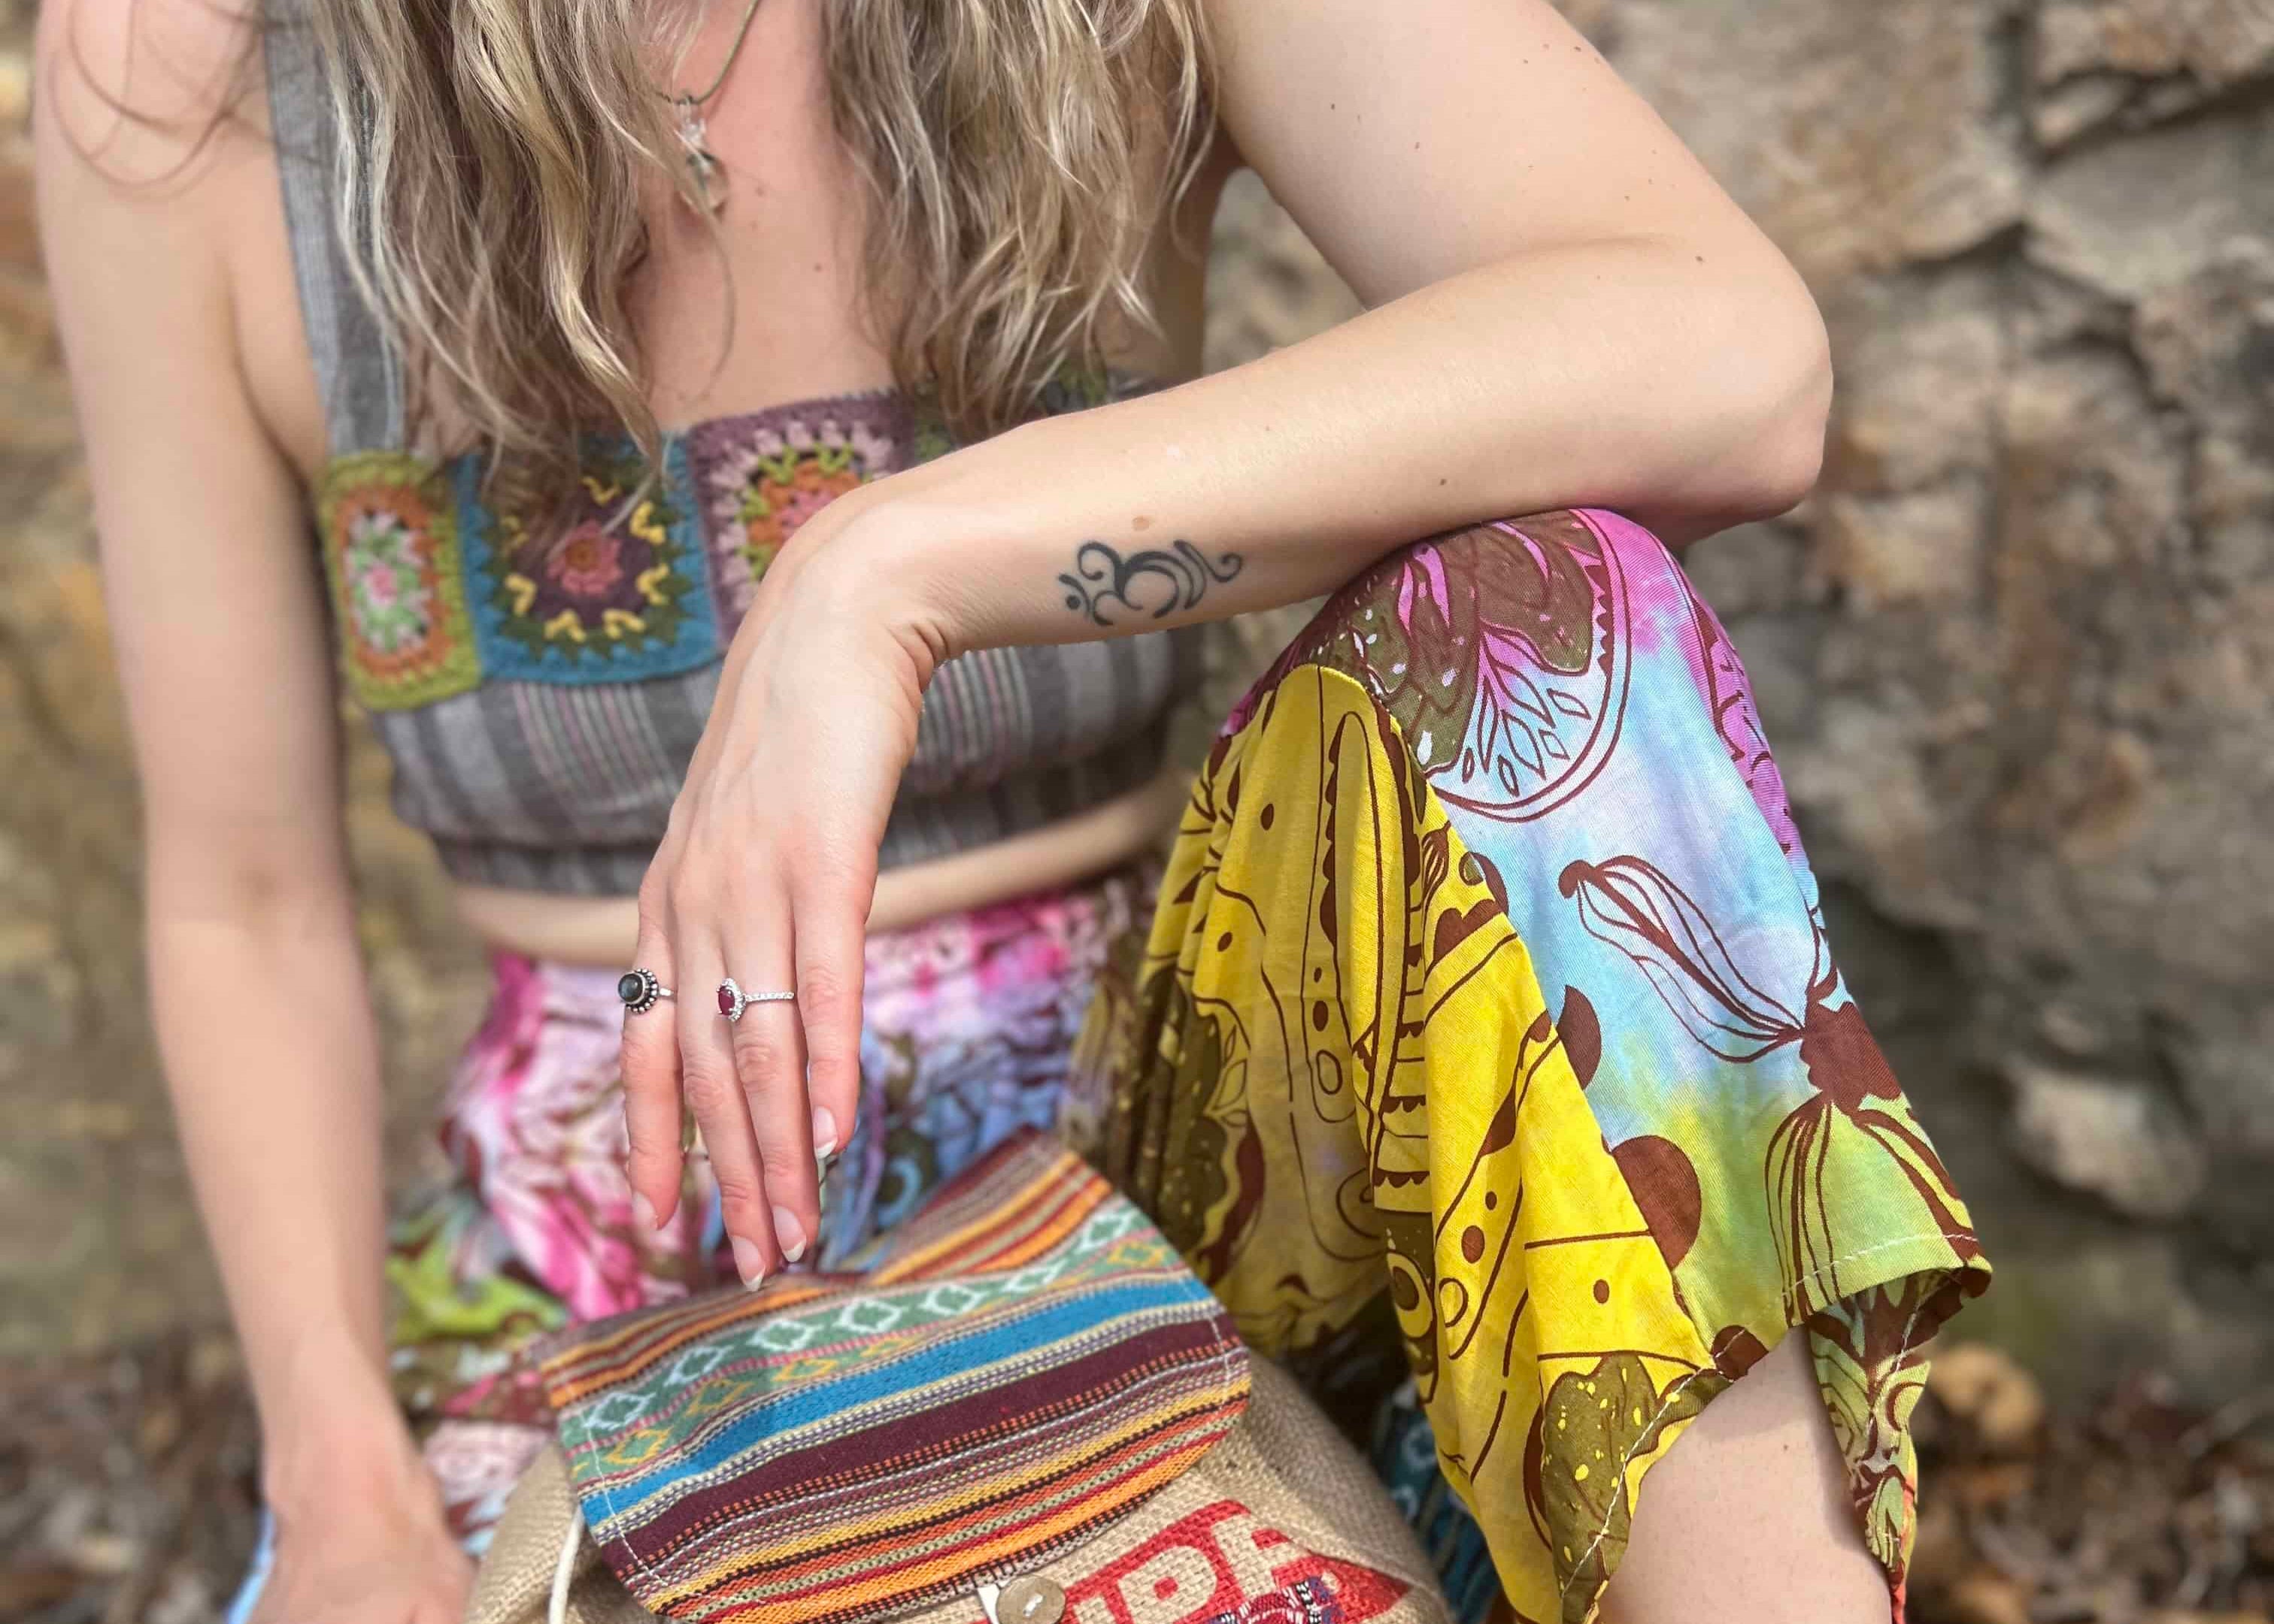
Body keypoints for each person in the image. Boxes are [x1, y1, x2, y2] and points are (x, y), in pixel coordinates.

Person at [32, 0, 1982, 1619]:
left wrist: (884, 570)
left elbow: (1731, 357)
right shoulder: (189, 94)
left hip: (1188, 1187)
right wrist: (344, 1489)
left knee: (1556, 629)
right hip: (613, 1271)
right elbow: (244, 897)